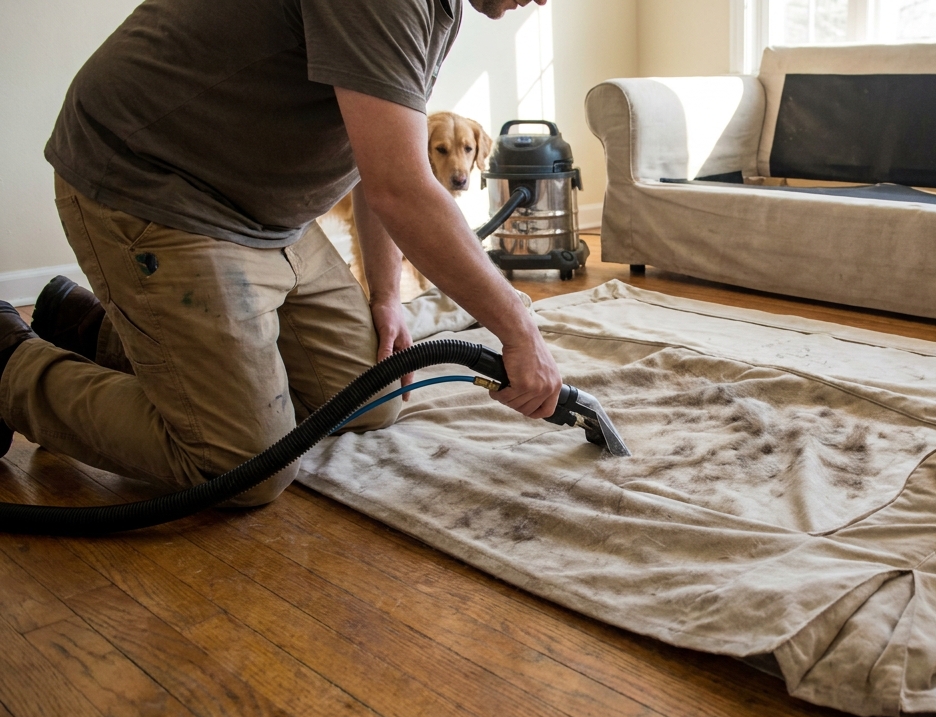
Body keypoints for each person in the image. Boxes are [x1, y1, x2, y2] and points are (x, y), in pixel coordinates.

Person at [0, 0, 560, 505]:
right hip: (162, 189)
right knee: (243, 465)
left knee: (372, 397)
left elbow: (380, 166)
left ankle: (86, 328)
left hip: (274, 215)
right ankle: (7, 363)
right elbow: (403, 188)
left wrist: (387, 297)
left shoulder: (441, 10)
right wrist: (519, 329)